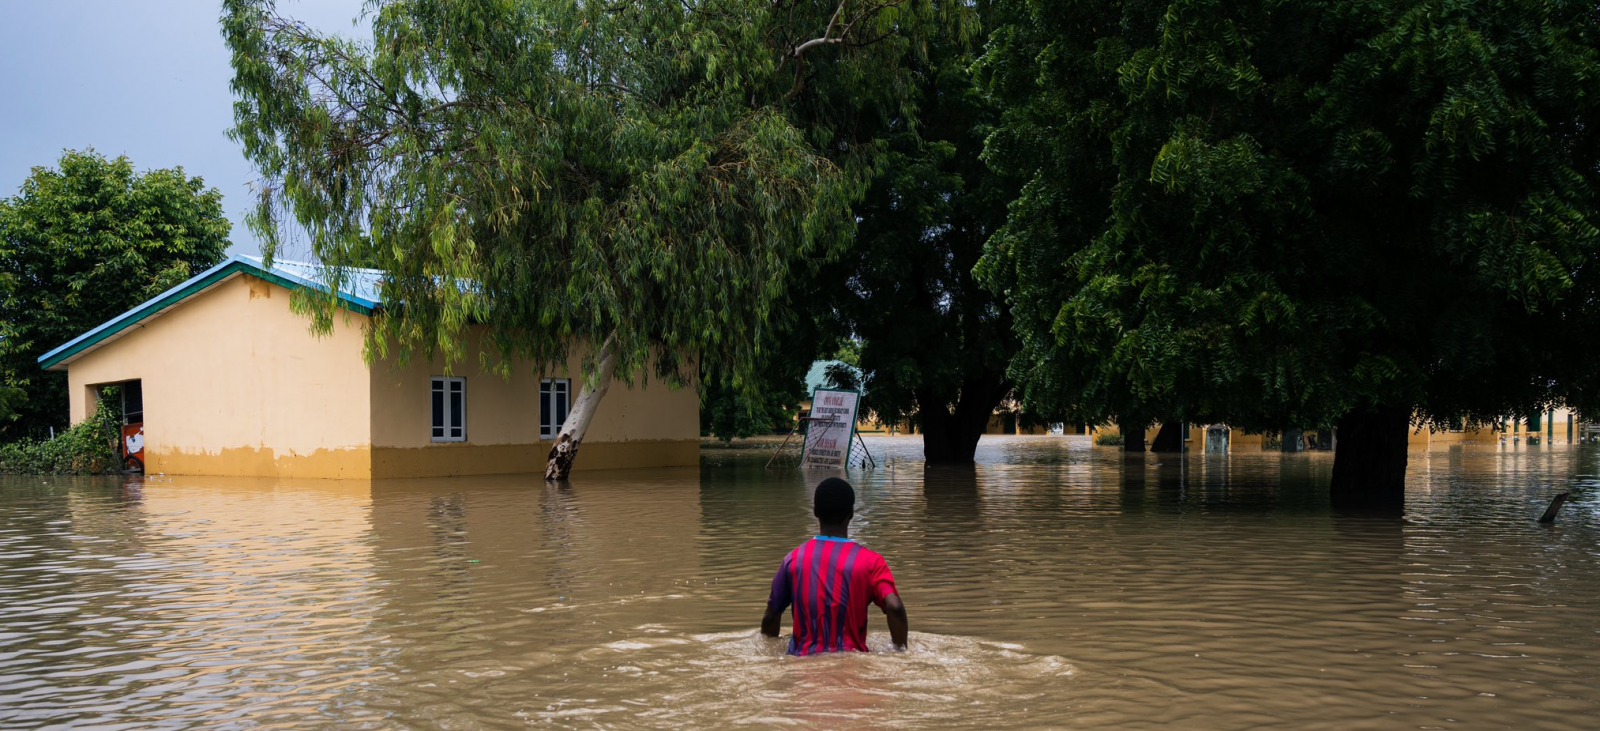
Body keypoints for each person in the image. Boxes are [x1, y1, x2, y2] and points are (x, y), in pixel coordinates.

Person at [760, 477, 909, 655]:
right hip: (852, 664)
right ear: (851, 513)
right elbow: (895, 607)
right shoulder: (871, 562)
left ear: (815, 512)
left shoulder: (792, 560)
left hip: (802, 665)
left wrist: (770, 650)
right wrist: (900, 652)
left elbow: (770, 617)